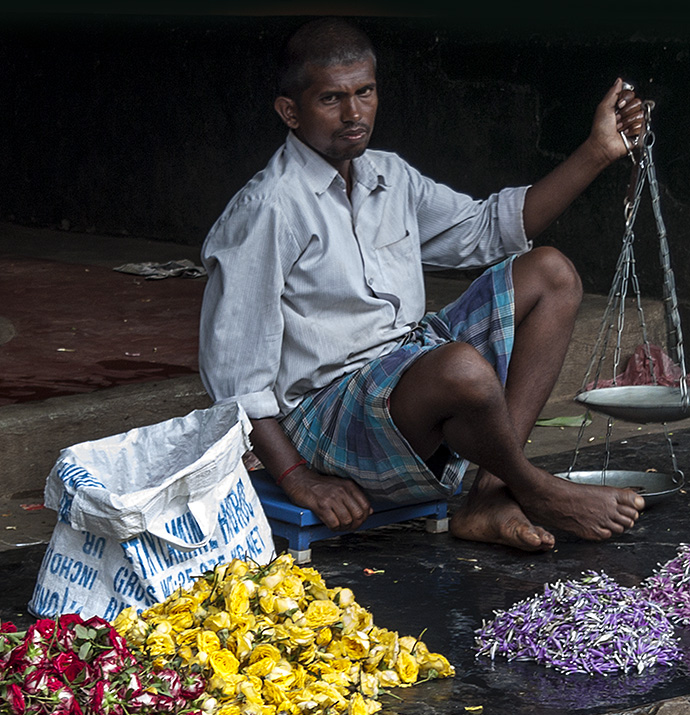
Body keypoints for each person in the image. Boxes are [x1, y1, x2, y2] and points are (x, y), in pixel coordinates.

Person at [198, 18, 648, 552]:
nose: (353, 114)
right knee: (459, 368)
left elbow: (489, 229)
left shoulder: (389, 177)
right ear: (289, 111)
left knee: (551, 274)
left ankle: (489, 494)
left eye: (364, 92)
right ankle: (537, 488)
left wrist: (598, 150)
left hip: (405, 372)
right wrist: (298, 478)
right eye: (330, 99)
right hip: (323, 415)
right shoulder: (267, 210)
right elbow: (235, 380)